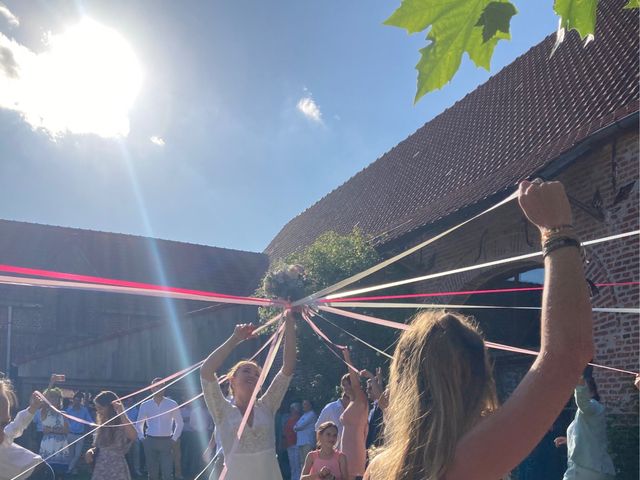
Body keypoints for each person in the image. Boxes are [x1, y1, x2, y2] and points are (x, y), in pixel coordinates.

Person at [364, 180, 595, 480]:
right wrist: (557, 231)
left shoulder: (379, 469)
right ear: (478, 376)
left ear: (403, 380)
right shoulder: (467, 458)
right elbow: (567, 355)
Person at [199, 310, 296, 480]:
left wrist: (289, 321)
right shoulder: (222, 410)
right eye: (246, 371)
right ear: (232, 380)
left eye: (257, 374)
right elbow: (206, 372)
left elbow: (287, 368)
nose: (253, 375)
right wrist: (235, 338)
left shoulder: (267, 406)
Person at [553, 369, 616, 480]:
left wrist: (580, 383)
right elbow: (589, 436)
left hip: (586, 470)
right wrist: (569, 440)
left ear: (591, 391)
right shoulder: (590, 412)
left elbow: (583, 402)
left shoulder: (593, 406)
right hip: (592, 469)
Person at [135, 379, 184, 480]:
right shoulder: (145, 405)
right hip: (150, 440)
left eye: (161, 386)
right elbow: (139, 423)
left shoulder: (172, 404)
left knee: (167, 473)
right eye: (156, 386)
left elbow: (180, 422)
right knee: (152, 473)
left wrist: (174, 439)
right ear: (152, 389)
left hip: (167, 440)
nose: (159, 389)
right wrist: (142, 438)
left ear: (165, 388)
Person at [0, 377, 47, 480]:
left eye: (4, 424)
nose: (2, 435)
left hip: (35, 472)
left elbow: (16, 426)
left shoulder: (5, 435)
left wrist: (33, 408)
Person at [85, 391, 137, 480]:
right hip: (100, 467)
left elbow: (133, 436)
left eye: (100, 408)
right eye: (97, 408)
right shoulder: (102, 423)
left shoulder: (122, 423)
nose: (98, 411)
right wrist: (90, 451)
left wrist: (121, 412)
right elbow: (100, 447)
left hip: (117, 468)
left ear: (110, 408)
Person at [338, 348, 368, 480]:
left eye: (347, 384)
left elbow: (355, 384)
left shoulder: (360, 398)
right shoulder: (351, 401)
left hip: (354, 447)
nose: (345, 388)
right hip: (346, 447)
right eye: (343, 385)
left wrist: (347, 357)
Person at [39, 388, 70, 478]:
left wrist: (51, 430)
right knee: (47, 471)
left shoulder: (63, 414)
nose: (53, 400)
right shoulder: (44, 412)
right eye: (51, 397)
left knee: (60, 473)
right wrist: (51, 382)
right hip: (48, 445)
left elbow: (66, 430)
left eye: (56, 398)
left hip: (60, 445)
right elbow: (43, 399)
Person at [64, 392, 93, 476]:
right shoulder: (68, 410)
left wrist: (94, 425)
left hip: (80, 435)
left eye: (79, 400)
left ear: (80, 401)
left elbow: (89, 420)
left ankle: (69, 469)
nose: (77, 402)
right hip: (70, 434)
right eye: (75, 400)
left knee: (77, 454)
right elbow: (65, 421)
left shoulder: (84, 410)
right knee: (71, 454)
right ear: (73, 400)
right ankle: (72, 470)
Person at [361, 368, 385, 450]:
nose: (367, 391)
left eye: (370, 388)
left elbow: (380, 396)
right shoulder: (372, 409)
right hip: (370, 449)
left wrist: (377, 381)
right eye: (367, 388)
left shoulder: (381, 407)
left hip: (379, 448)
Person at [294, 400, 318, 473]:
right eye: (303, 404)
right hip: (300, 442)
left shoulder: (312, 414)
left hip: (308, 442)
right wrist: (296, 427)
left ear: (310, 405)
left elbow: (300, 426)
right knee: (302, 462)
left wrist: (297, 427)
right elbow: (295, 426)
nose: (303, 406)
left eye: (305, 404)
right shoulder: (303, 415)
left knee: (308, 462)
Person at [283, 402, 301, 480]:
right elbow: (285, 432)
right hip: (289, 444)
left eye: (293, 409)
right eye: (291, 409)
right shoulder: (288, 420)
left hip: (297, 444)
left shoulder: (301, 419)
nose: (292, 411)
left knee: (298, 465)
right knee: (292, 465)